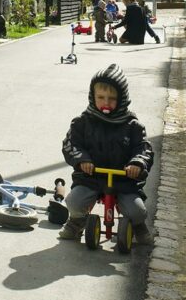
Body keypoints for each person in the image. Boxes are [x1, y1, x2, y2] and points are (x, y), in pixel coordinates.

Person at [59, 64, 155, 245]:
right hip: (91, 177)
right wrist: (82, 160)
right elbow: (71, 144)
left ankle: (138, 226)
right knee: (73, 202)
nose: (106, 102)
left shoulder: (132, 125)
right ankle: (77, 221)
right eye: (101, 97)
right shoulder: (83, 122)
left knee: (137, 211)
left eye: (112, 99)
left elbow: (144, 148)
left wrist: (137, 164)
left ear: (122, 99)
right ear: (92, 96)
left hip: (123, 180)